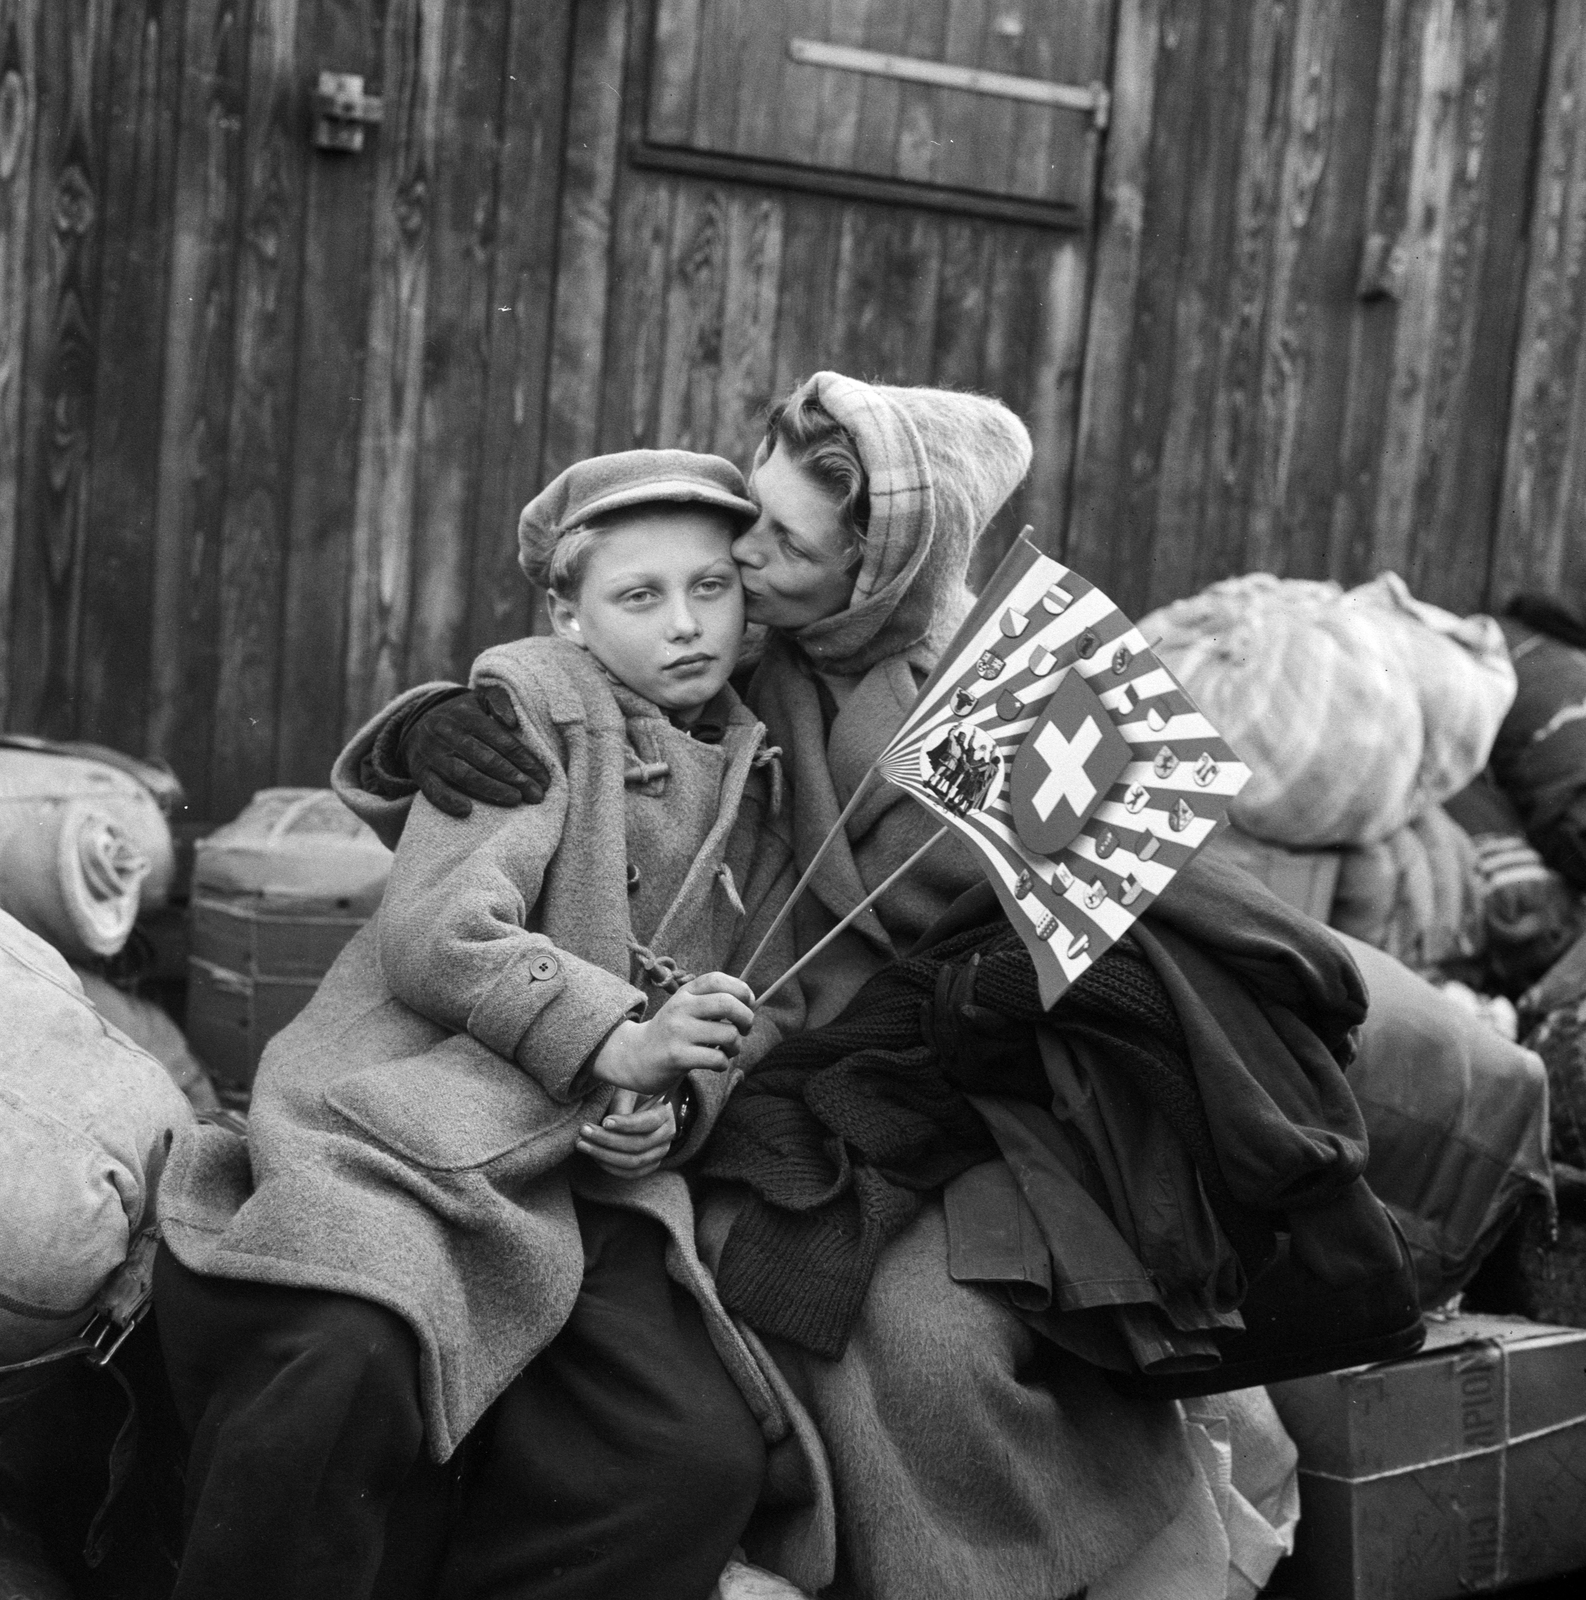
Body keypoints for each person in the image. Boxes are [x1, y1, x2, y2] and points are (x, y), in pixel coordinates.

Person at [344, 377, 1200, 1600]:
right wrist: (427, 725)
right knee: (786, 1304)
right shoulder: (750, 641)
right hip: (720, 1049)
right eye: (752, 516)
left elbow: (1109, 904)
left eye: (781, 545)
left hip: (939, 1072)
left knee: (932, 1332)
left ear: (873, 573)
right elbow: (578, 689)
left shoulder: (993, 701)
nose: (740, 556)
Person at [152, 450, 810, 1600]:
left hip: (582, 1181)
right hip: (413, 1110)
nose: (686, 624)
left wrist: (668, 1100)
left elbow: (762, 1001)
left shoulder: (762, 769)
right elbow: (439, 931)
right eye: (638, 596)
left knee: (688, 1456)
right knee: (343, 1351)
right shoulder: (532, 704)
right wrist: (613, 1038)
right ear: (567, 609)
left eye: (711, 586)